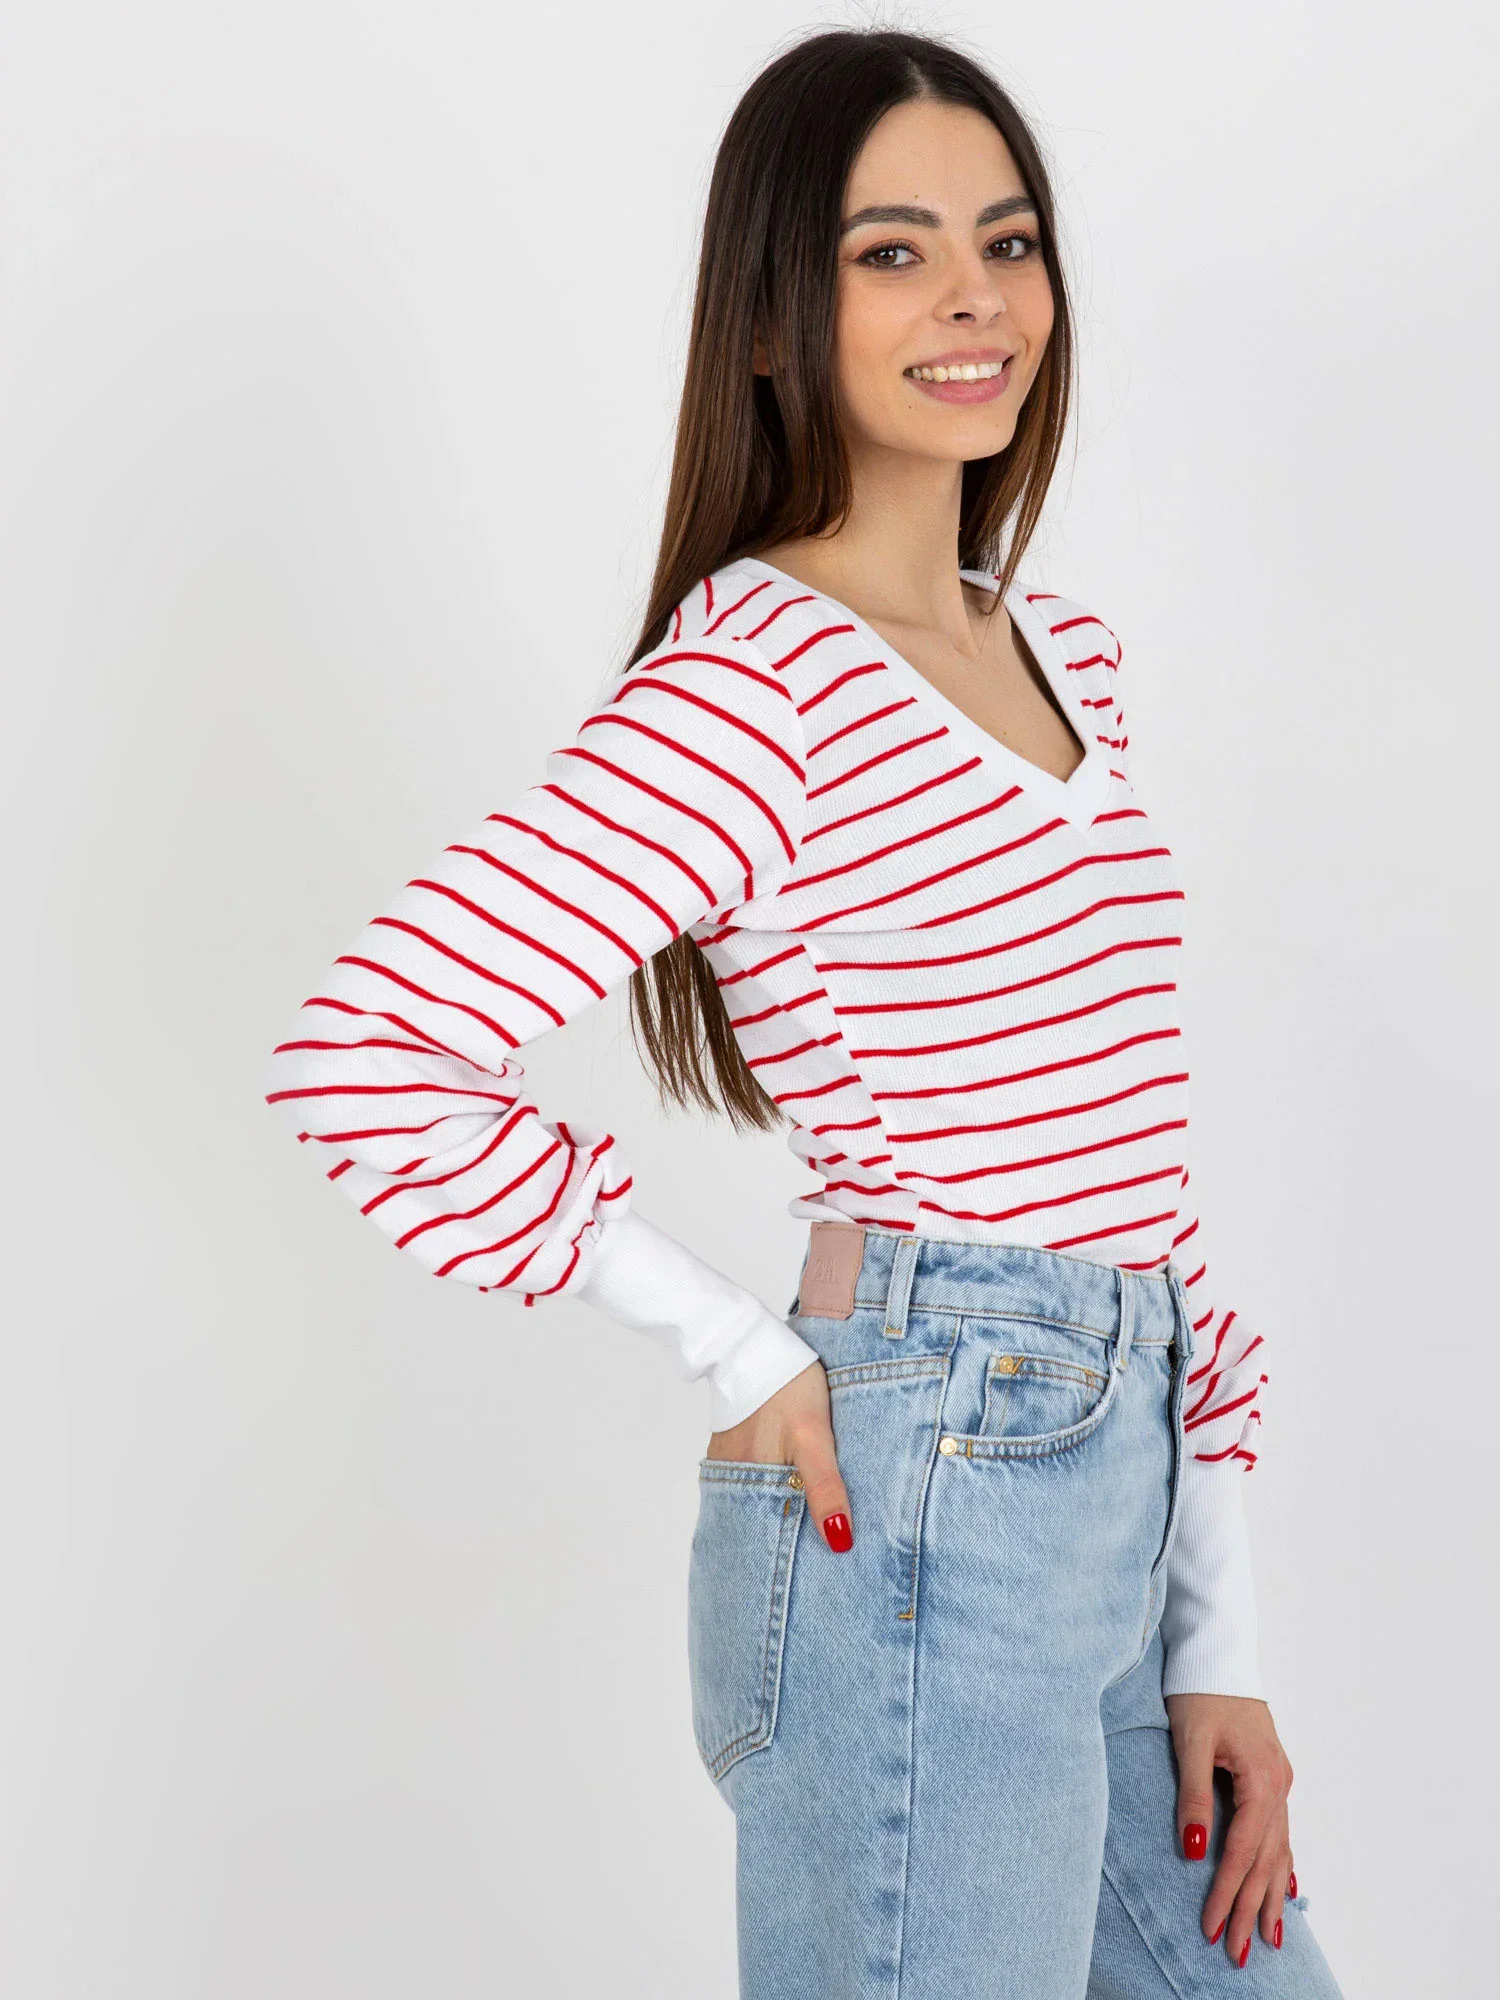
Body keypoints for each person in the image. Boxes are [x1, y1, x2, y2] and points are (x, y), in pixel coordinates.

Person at [263, 26, 1344, 1999]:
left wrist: (1223, 1645)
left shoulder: (1065, 651)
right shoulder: (757, 678)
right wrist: (742, 1349)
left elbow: (1135, 1167)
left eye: (1007, 242)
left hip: (1123, 1487)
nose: (974, 298)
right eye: (891, 252)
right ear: (775, 314)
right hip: (924, 1494)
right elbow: (372, 1051)